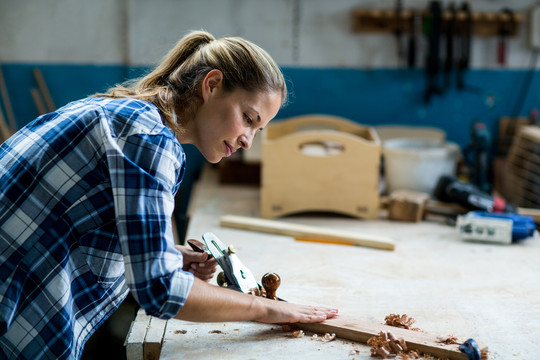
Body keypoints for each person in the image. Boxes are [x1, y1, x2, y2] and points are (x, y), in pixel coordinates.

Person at [0, 30, 338, 359]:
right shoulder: (148, 138)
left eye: (257, 129)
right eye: (248, 118)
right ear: (212, 85)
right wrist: (265, 308)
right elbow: (160, 292)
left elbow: (82, 225)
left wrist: (168, 255)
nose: (248, 140)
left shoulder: (124, 112)